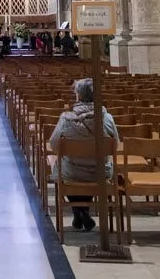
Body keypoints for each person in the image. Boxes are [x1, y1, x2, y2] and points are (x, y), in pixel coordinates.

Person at [49, 77, 118, 232]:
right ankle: (83, 211)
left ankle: (79, 211)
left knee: (61, 167)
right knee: (89, 168)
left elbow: (54, 145)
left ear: (78, 96)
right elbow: (116, 145)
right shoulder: (106, 118)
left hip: (73, 173)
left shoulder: (66, 119)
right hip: (100, 173)